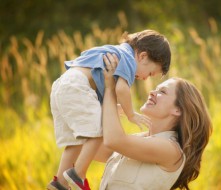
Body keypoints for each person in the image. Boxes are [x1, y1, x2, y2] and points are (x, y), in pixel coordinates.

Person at [47, 30, 171, 190]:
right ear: (142, 56)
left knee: (75, 141)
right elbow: (121, 89)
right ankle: (78, 174)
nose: (146, 78)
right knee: (100, 128)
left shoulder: (114, 51)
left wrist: (117, 108)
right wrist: (130, 113)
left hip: (62, 86)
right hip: (77, 86)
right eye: (150, 72)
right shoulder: (127, 59)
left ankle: (60, 184)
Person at [94, 54, 212, 190]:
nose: (151, 92)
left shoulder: (171, 150)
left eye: (162, 91)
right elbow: (92, 149)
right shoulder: (137, 140)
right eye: (155, 89)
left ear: (178, 109)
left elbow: (114, 140)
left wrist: (110, 89)